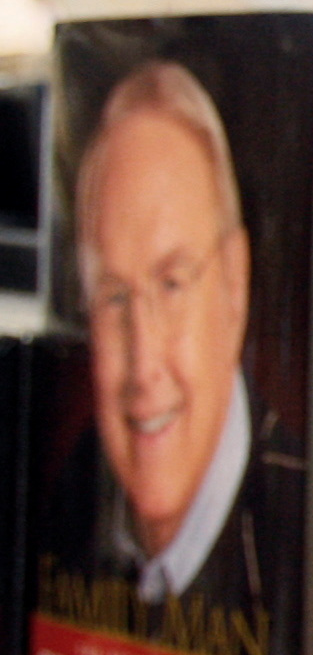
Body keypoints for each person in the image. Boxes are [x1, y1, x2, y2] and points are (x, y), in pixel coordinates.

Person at [60, 59, 290, 625]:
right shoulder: (58, 511)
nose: (143, 361)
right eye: (114, 297)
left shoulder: (308, 536)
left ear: (234, 282)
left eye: (171, 284)